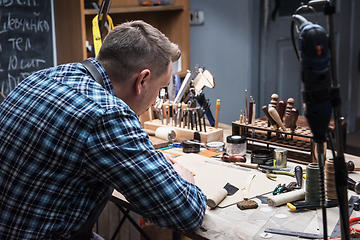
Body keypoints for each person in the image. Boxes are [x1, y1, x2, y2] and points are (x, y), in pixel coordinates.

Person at [0, 20, 207, 239]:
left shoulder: (39, 78)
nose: (156, 102)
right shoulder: (106, 114)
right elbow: (186, 212)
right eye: (161, 88)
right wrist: (183, 179)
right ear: (142, 80)